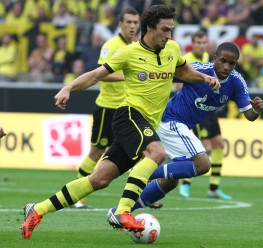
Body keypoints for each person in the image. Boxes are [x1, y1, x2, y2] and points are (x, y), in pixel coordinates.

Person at [20, 4, 220, 240]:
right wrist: (69, 87)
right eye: (165, 29)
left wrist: (204, 77)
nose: (169, 35)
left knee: (99, 179)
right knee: (156, 153)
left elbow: (184, 71)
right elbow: (96, 75)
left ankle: (37, 209)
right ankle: (123, 211)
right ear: (150, 28)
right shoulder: (129, 53)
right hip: (129, 116)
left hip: (146, 124)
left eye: (171, 29)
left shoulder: (172, 49)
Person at [108, 42, 263, 218]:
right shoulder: (199, 70)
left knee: (170, 181)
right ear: (214, 58)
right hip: (170, 120)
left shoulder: (236, 82)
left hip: (177, 127)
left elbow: (249, 115)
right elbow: (165, 75)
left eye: (232, 63)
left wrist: (257, 110)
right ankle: (144, 171)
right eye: (223, 61)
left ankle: (121, 211)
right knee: (203, 164)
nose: (227, 67)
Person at [72, 7, 141, 208]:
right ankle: (78, 197)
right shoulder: (111, 45)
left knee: (137, 151)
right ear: (120, 24)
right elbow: (99, 73)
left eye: (135, 23)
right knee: (96, 152)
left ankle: (143, 196)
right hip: (107, 108)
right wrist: (125, 76)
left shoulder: (136, 47)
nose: (132, 26)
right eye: (128, 22)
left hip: (126, 108)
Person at [178, 30, 232, 200]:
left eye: (204, 42)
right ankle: (185, 183)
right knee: (204, 148)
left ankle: (214, 188)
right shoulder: (186, 60)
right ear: (192, 44)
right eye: (198, 43)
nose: (201, 46)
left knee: (219, 145)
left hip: (210, 108)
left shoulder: (209, 58)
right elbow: (178, 86)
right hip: (196, 109)